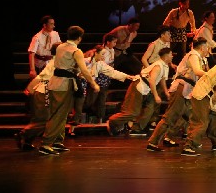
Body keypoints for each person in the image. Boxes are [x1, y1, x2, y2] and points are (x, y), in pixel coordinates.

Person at [38, 26, 100, 155]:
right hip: (63, 85)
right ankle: (46, 143)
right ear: (79, 38)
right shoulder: (76, 51)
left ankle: (57, 141)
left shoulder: (60, 47)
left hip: (55, 82)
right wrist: (93, 83)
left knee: (61, 114)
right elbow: (84, 70)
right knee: (59, 115)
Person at [145, 38, 211, 151]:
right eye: (206, 46)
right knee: (170, 116)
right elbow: (196, 71)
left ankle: (171, 137)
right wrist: (212, 75)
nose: (208, 49)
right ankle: (153, 142)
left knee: (189, 116)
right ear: (202, 47)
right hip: (181, 87)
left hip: (189, 90)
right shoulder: (193, 55)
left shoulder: (201, 58)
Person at [107, 47, 172, 137]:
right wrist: (156, 95)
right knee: (133, 112)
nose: (172, 56)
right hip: (139, 86)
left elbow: (162, 79)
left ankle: (137, 128)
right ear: (166, 56)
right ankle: (113, 121)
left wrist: (166, 92)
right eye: (170, 54)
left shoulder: (165, 66)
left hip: (147, 89)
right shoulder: (158, 66)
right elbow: (152, 81)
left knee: (150, 109)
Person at [15, 45, 64, 151]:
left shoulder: (56, 62)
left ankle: (27, 141)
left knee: (41, 118)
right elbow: (42, 77)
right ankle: (24, 134)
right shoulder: (56, 63)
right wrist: (30, 87)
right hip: (43, 92)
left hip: (43, 91)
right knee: (45, 120)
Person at [82, 44, 138, 125]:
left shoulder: (100, 64)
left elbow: (112, 72)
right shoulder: (85, 61)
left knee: (92, 102)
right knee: (85, 103)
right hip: (82, 85)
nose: (103, 57)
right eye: (102, 54)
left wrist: (127, 76)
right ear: (96, 53)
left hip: (90, 84)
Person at [162, 0, 197, 64]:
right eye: (185, 4)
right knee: (168, 50)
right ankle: (165, 64)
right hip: (173, 32)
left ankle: (180, 66)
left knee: (182, 52)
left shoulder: (190, 13)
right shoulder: (174, 11)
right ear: (180, 3)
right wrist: (166, 33)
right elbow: (165, 23)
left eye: (188, 4)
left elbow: (193, 24)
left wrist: (193, 32)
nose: (187, 6)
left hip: (182, 33)